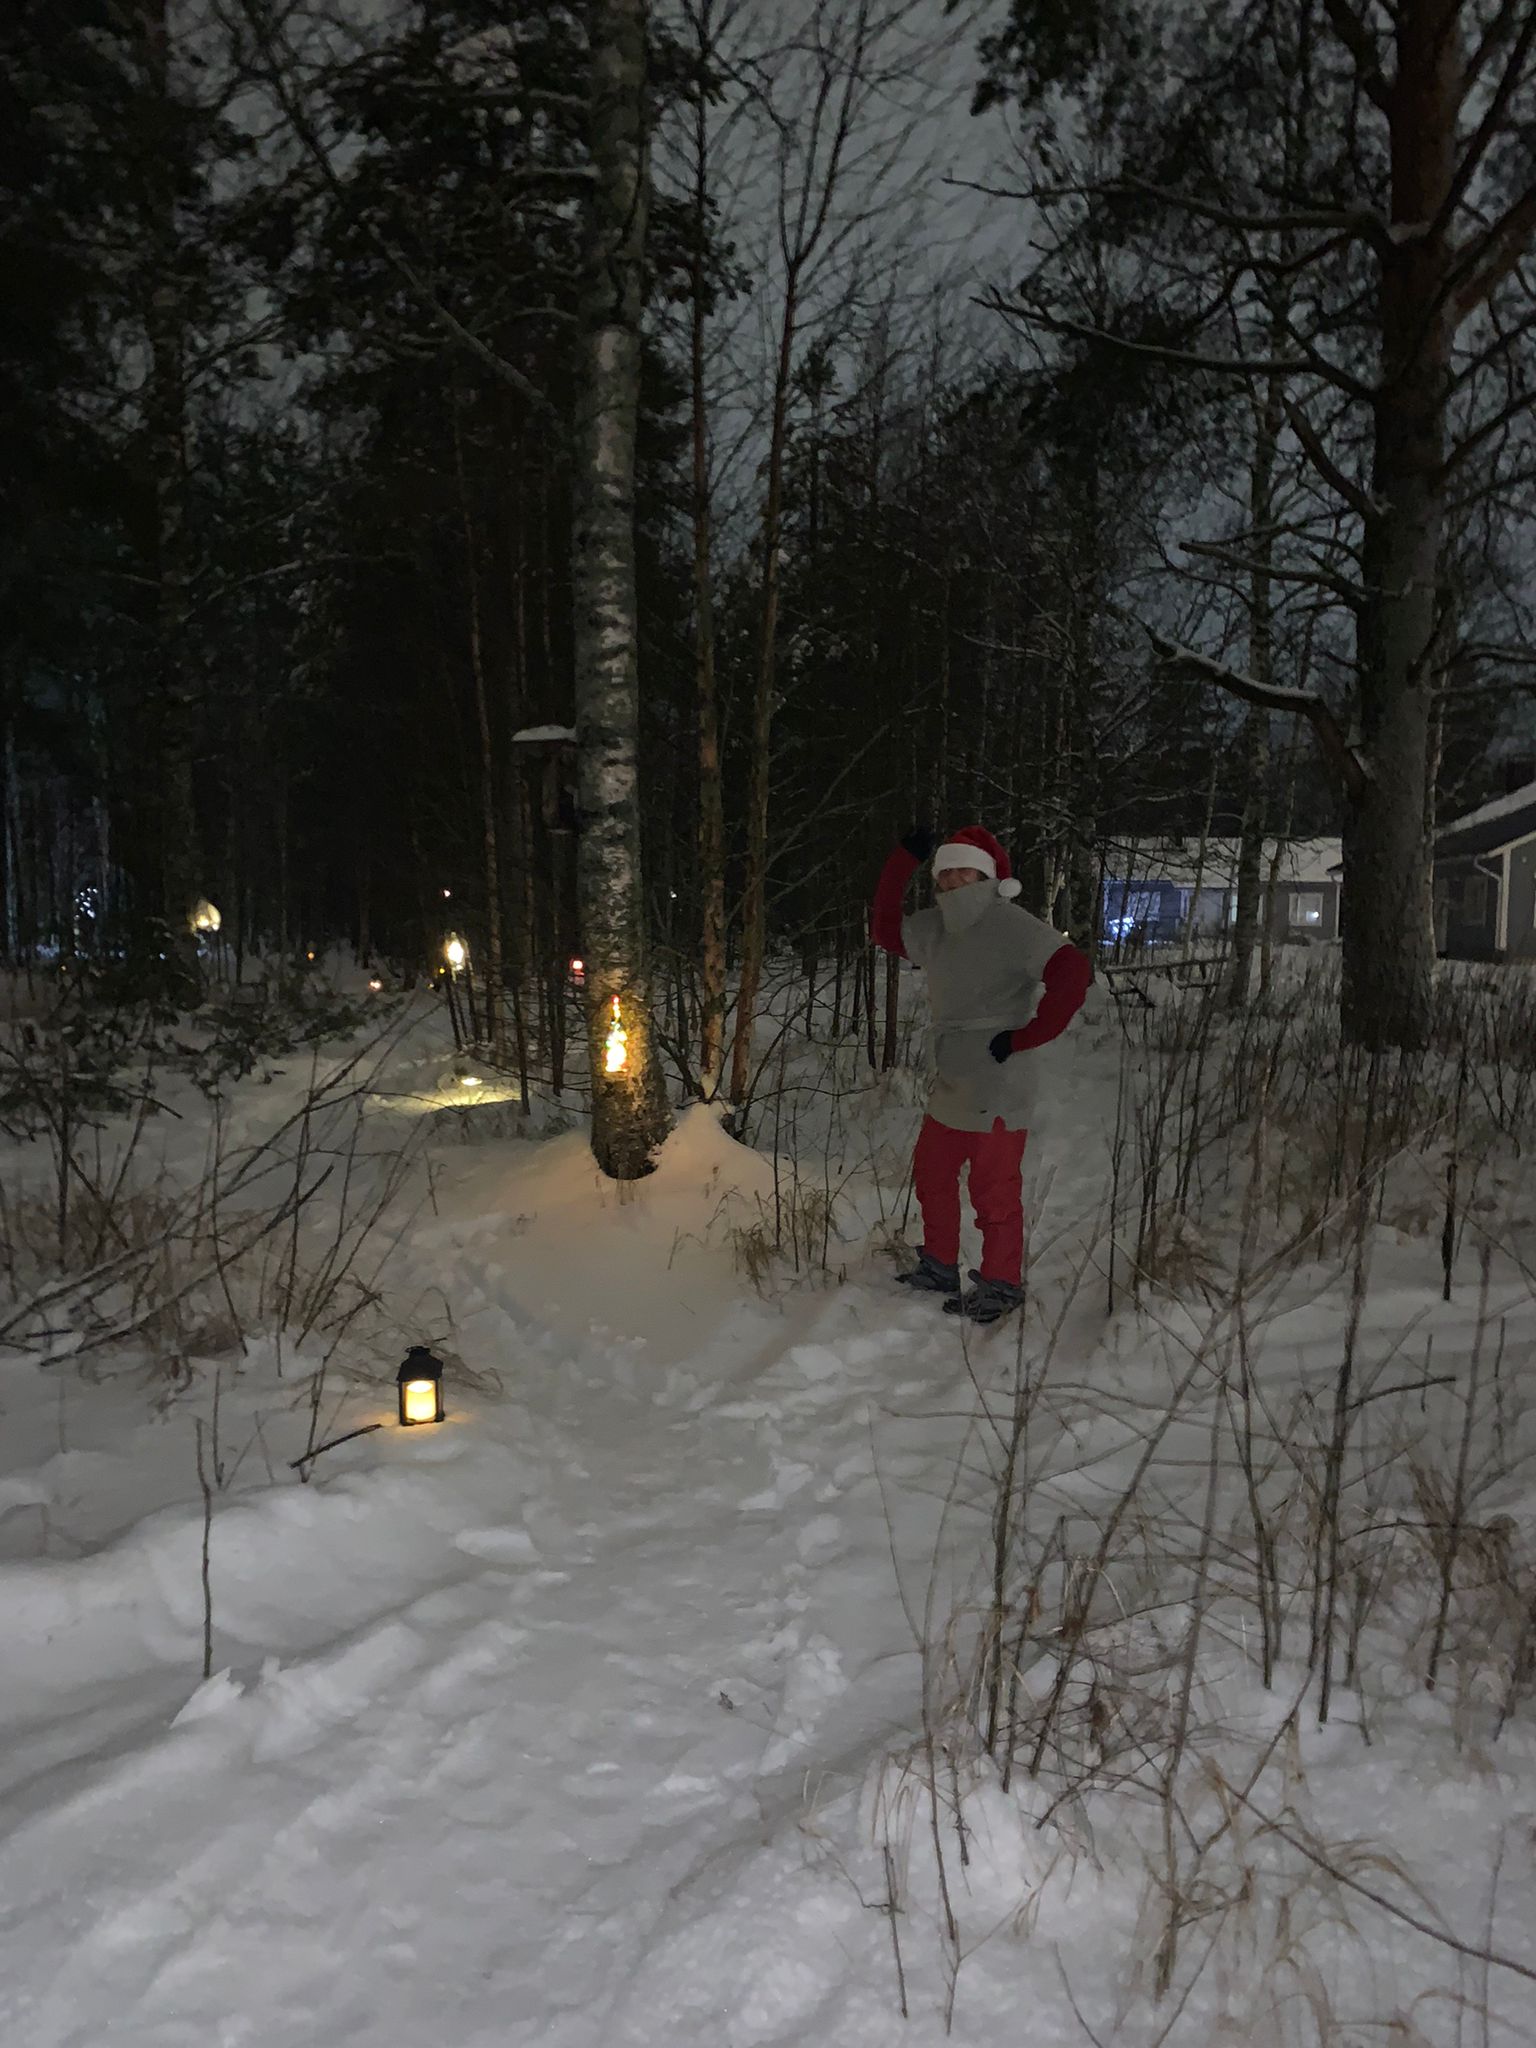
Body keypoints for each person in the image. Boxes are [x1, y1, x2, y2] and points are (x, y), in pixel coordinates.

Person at [871, 825, 1092, 1323]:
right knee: (932, 1173)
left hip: (999, 1077)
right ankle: (939, 1264)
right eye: (945, 871)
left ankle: (1001, 1284)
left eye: (964, 871)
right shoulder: (935, 927)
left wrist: (1025, 1037)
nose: (953, 879)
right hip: (952, 1074)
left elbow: (1072, 972)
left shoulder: (1011, 925)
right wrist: (901, 862)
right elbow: (884, 929)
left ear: (987, 875)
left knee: (993, 1190)